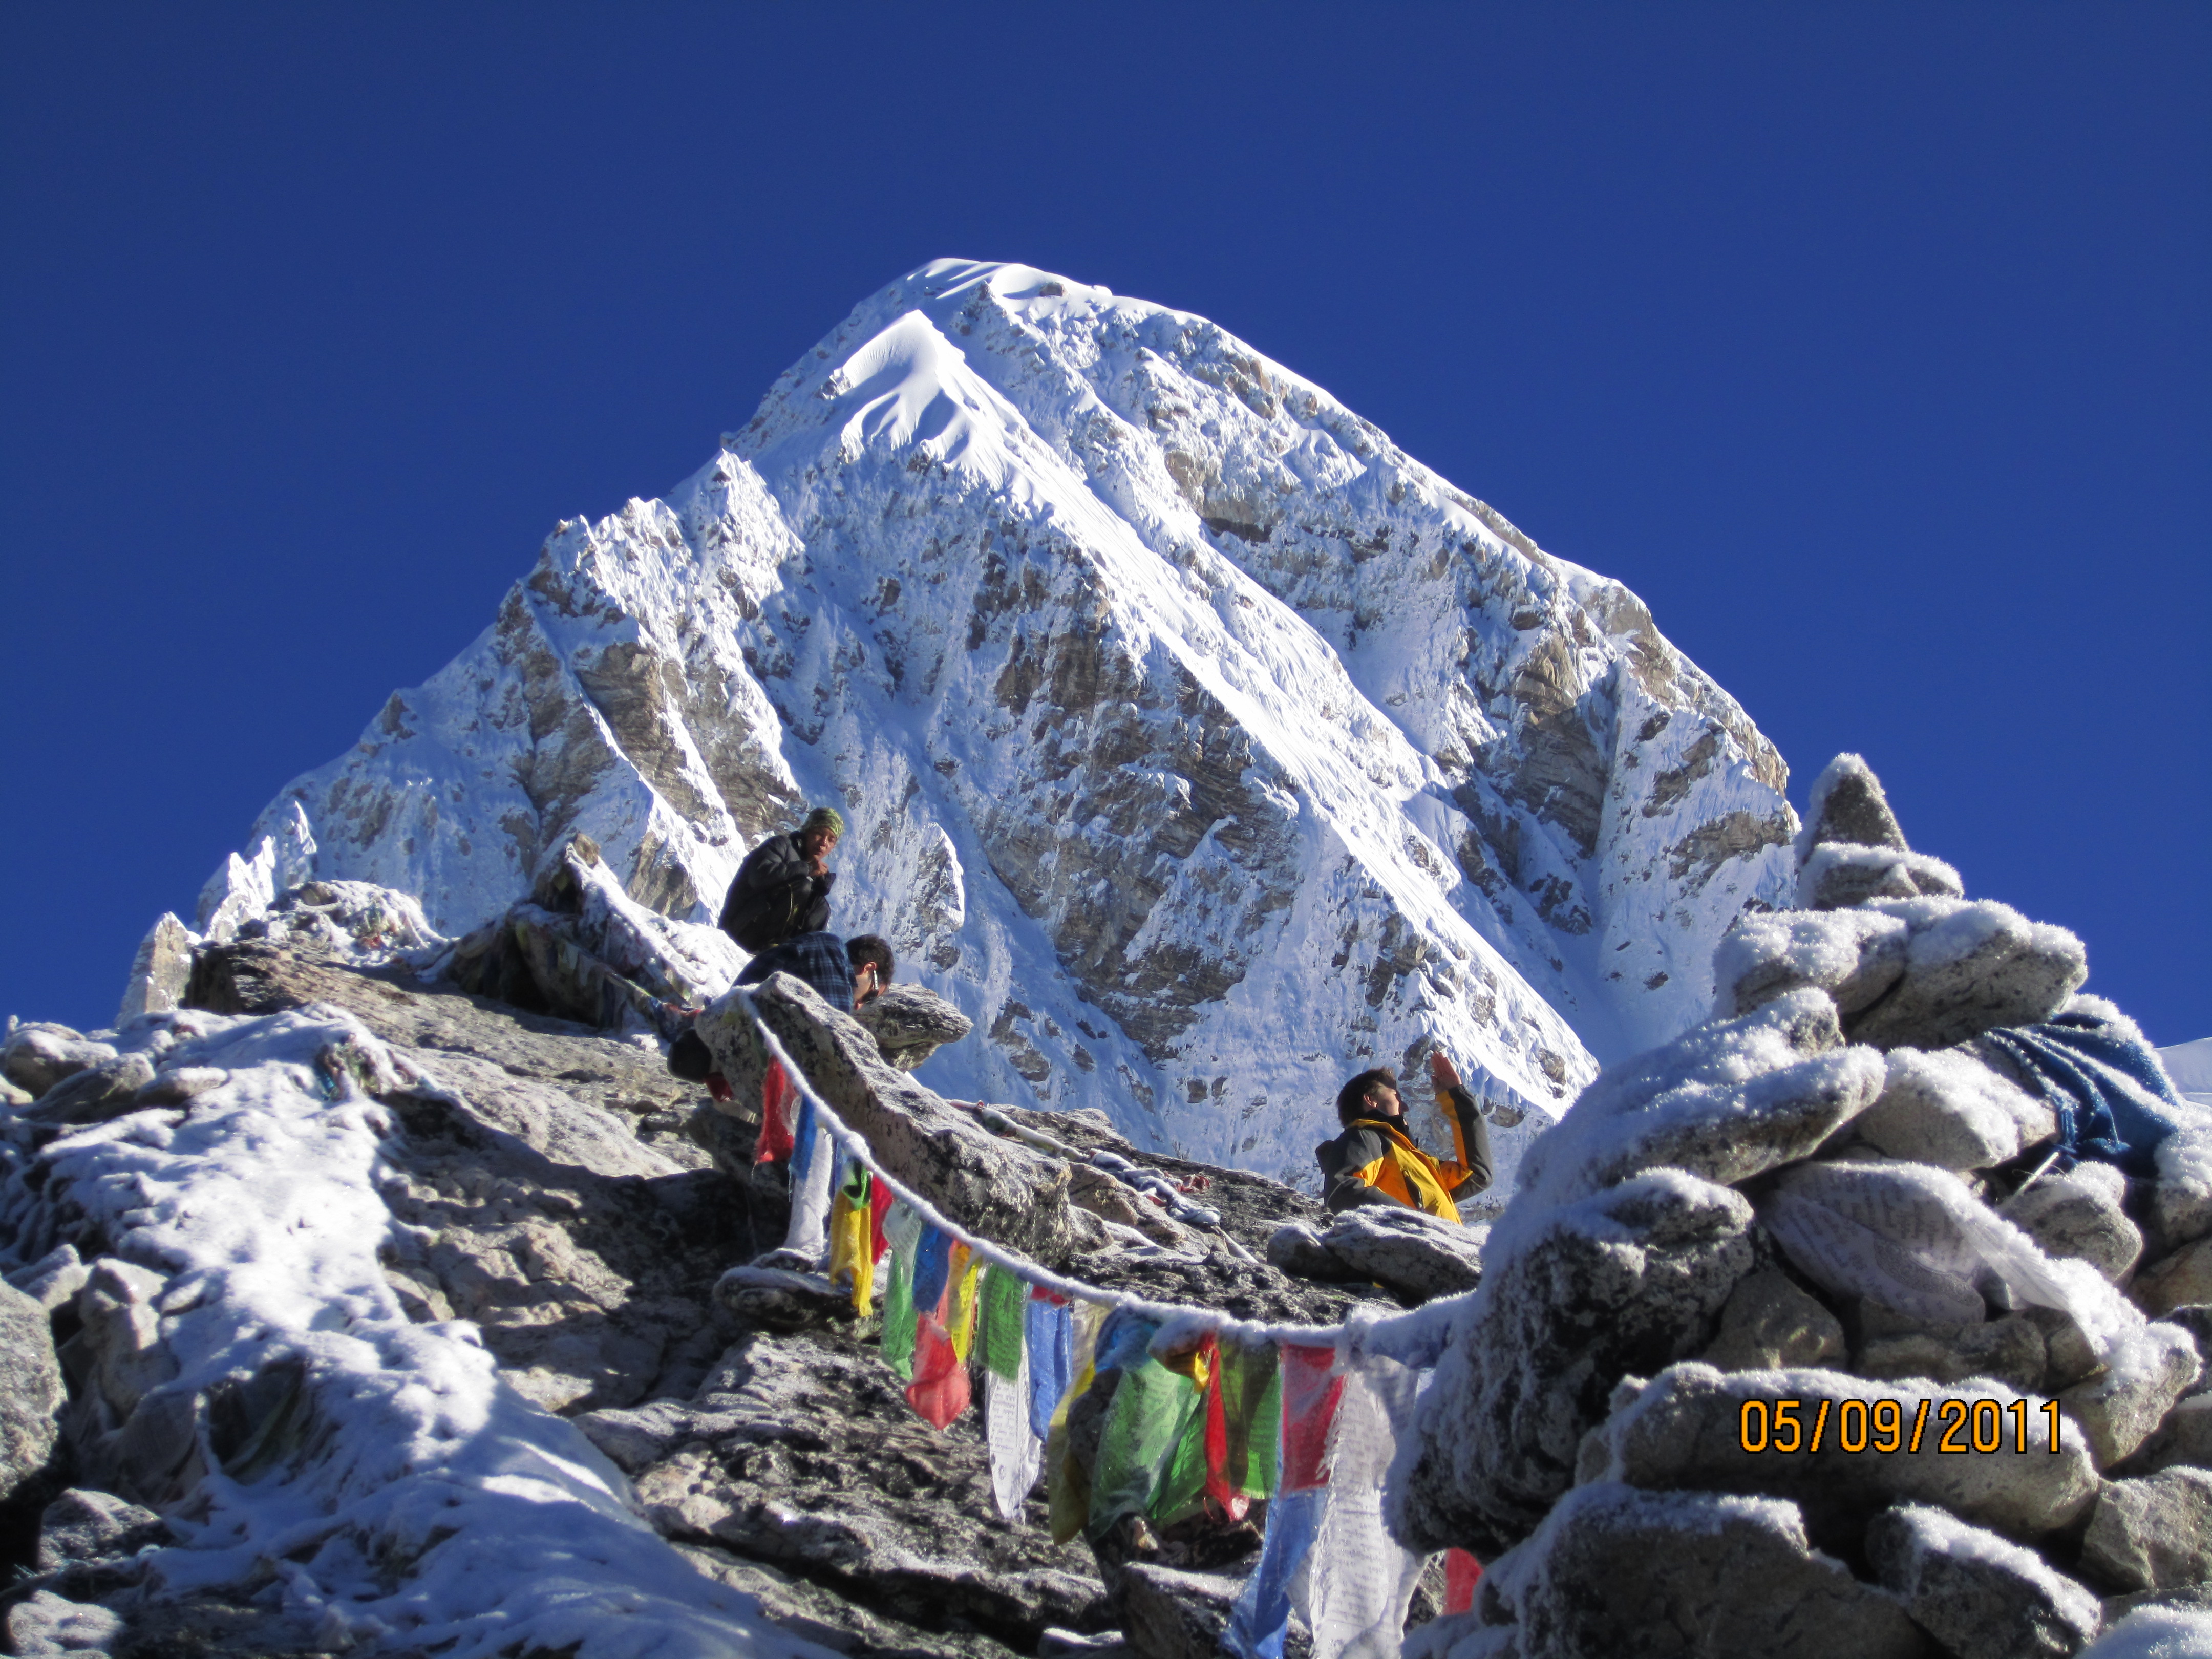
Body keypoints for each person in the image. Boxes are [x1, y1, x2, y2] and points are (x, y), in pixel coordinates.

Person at [1315, 1052, 1493, 1221]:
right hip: (1415, 1249)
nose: (1405, 1106)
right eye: (1396, 1096)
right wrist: (1418, 1226)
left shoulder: (1414, 1160)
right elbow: (1343, 1193)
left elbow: (1475, 1175)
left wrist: (1456, 1096)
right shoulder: (1364, 1139)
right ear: (1371, 1100)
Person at [719, 807, 844, 951]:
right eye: (818, 834)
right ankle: (772, 947)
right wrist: (807, 869)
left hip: (763, 929)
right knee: (801, 886)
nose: (824, 842)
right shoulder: (781, 845)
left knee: (820, 905)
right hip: (742, 928)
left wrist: (818, 888)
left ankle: (800, 957)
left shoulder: (809, 870)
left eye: (831, 839)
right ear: (807, 831)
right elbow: (760, 877)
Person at [735, 931, 896, 1016]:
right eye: (870, 996)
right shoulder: (830, 950)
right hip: (739, 1025)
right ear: (868, 968)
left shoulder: (824, 949)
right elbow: (834, 1035)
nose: (859, 1006)